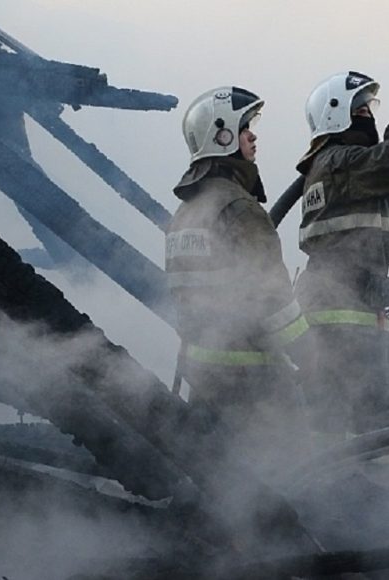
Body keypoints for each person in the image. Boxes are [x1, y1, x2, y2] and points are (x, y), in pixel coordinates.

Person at [293, 71, 389, 486]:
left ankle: (349, 503)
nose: (370, 116)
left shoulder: (349, 172)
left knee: (358, 423)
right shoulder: (338, 162)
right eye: (362, 109)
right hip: (345, 321)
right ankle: (371, 511)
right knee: (379, 424)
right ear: (339, 117)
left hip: (354, 319)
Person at [166, 86, 310, 480]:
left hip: (205, 378)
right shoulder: (239, 208)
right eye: (246, 128)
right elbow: (271, 296)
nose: (254, 137)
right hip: (255, 384)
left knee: (220, 483)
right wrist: (312, 356)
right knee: (287, 480)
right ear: (222, 135)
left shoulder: (186, 213)